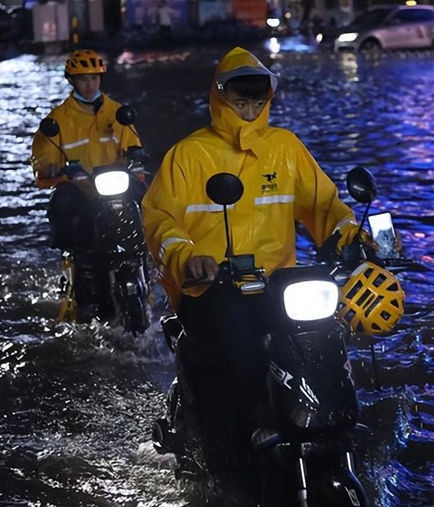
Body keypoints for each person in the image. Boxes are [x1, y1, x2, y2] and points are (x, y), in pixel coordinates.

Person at [142, 47, 366, 473]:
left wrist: (353, 239)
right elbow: (159, 218)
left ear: (268, 100)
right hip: (212, 287)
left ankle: (325, 422)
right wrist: (189, 257)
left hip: (279, 286)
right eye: (239, 101)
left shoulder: (285, 148)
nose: (248, 110)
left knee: (325, 337)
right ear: (220, 97)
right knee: (238, 340)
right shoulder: (188, 154)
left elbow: (324, 205)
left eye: (256, 102)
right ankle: (247, 431)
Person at [31, 49, 142, 313]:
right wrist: (53, 166)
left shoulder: (118, 113)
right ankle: (74, 260)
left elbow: (134, 146)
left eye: (94, 78)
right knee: (63, 204)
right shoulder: (57, 120)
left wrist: (138, 155)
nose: (90, 84)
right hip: (81, 188)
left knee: (147, 198)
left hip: (114, 184)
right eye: (83, 79)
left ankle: (147, 258)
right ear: (72, 81)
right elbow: (43, 159)